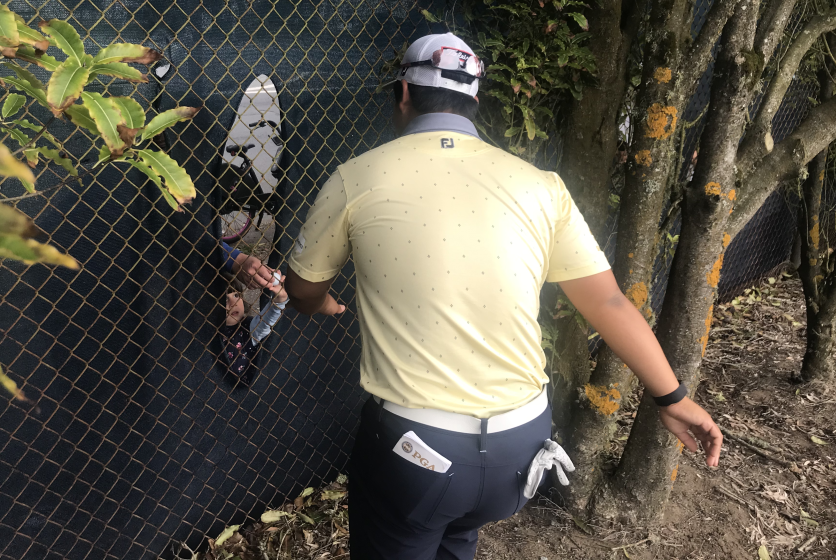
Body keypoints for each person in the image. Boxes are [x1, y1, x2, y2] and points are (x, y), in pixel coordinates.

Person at [285, 32, 723, 560]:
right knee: (460, 529)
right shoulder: (541, 186)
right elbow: (609, 303)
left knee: (420, 514)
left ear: (402, 93)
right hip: (523, 450)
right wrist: (673, 400)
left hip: (417, 454)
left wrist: (320, 304)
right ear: (474, 99)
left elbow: (303, 288)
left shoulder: (356, 178)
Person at [219, 272, 288, 385]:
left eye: (236, 295)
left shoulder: (248, 327)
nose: (234, 303)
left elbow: (266, 321)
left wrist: (279, 301)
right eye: (225, 299)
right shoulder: (207, 331)